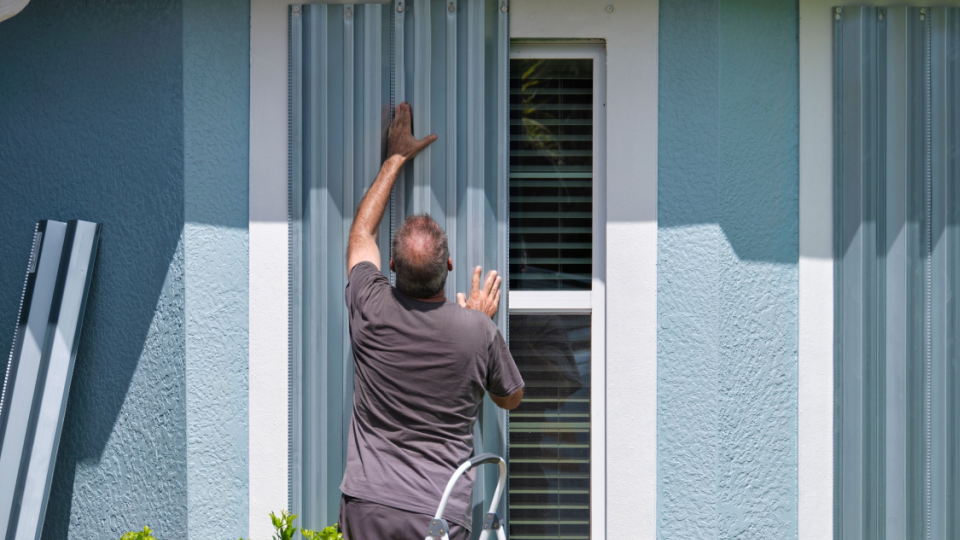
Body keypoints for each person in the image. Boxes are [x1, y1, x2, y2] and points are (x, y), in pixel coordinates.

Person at [338, 102, 525, 540]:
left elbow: (361, 236)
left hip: (367, 505)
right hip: (436, 516)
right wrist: (479, 327)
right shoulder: (477, 330)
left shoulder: (369, 301)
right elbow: (512, 399)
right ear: (451, 266)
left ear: (394, 270)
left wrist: (394, 159)